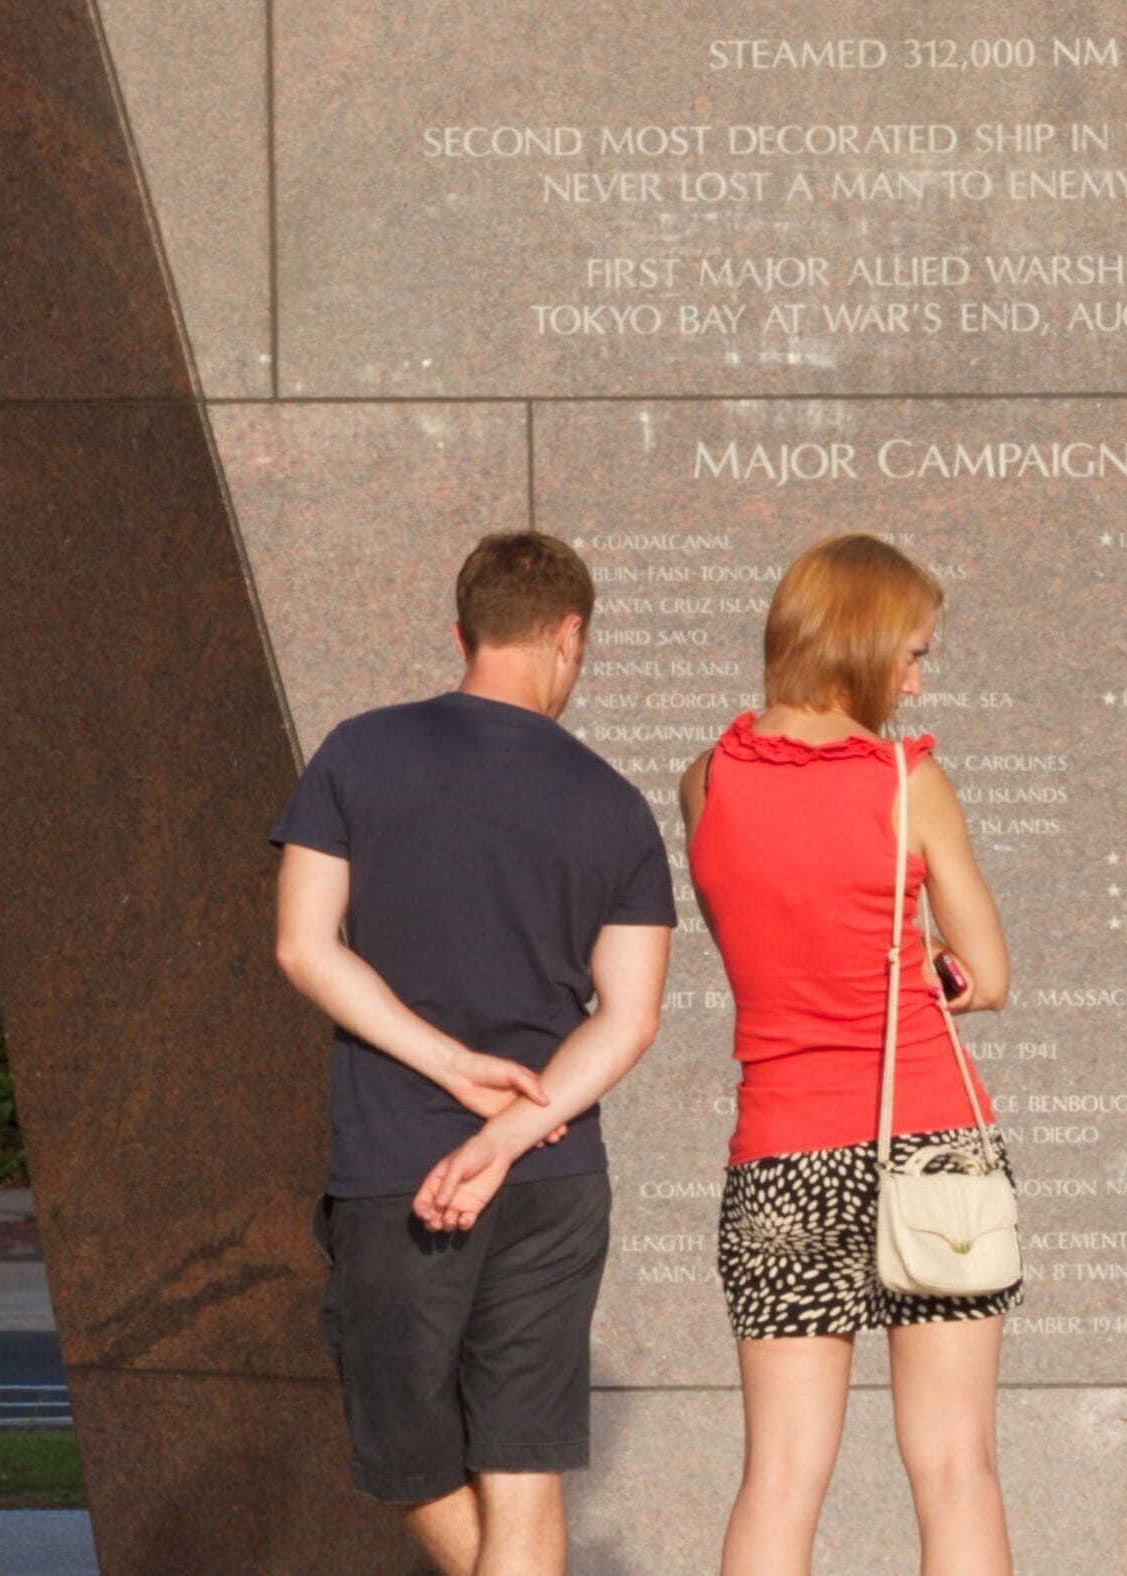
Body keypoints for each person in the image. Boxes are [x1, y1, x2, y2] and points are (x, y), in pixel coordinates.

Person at [272, 530, 678, 1576]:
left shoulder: (359, 752)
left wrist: (449, 1071)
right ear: (569, 636)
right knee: (523, 1462)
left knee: (407, 1459)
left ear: (462, 634)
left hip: (397, 1164)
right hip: (552, 1167)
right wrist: (509, 1133)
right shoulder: (614, 803)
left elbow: (303, 945)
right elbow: (627, 1018)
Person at [681, 532, 1018, 1576]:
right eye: (913, 654)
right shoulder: (909, 785)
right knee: (955, 1468)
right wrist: (936, 974)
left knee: (780, 1477)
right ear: (862, 647)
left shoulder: (705, 783)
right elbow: (989, 974)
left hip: (780, 1153)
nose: (917, 681)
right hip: (932, 1148)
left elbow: (758, 935)